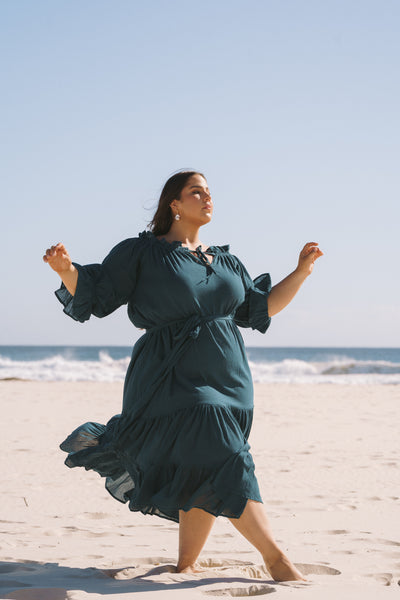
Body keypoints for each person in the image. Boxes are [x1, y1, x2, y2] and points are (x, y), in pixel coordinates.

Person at [43, 170, 323, 582]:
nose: (207, 198)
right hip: (169, 375)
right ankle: (276, 557)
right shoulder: (143, 253)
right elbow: (96, 293)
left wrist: (300, 272)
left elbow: (257, 310)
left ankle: (186, 564)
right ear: (174, 203)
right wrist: (66, 269)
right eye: (197, 192)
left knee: (203, 462)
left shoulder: (227, 262)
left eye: (209, 192)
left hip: (230, 379)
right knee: (220, 449)